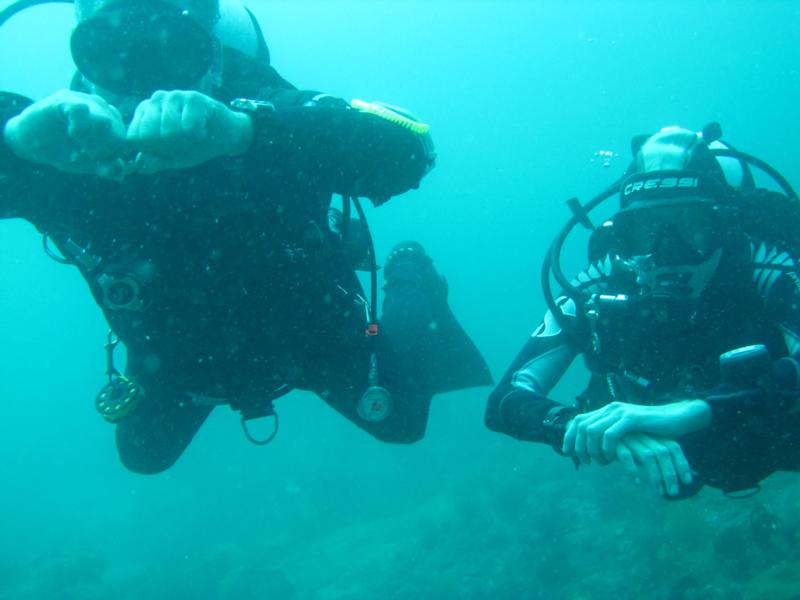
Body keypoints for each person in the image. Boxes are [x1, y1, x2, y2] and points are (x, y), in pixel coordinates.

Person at [1, 0, 492, 473]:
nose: (144, 82)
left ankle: (409, 273)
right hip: (177, 362)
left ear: (210, 50)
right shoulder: (58, 150)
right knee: (143, 455)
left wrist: (245, 132)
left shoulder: (259, 104)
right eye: (110, 51)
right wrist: (15, 142)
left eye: (172, 51)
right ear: (83, 54)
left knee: (403, 421)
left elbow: (412, 146)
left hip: (314, 334)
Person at [486, 124, 800, 498]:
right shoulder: (599, 285)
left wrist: (694, 412)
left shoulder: (763, 268)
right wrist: (577, 425)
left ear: (723, 227)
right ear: (622, 237)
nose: (667, 252)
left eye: (691, 227)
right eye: (643, 232)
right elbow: (505, 399)